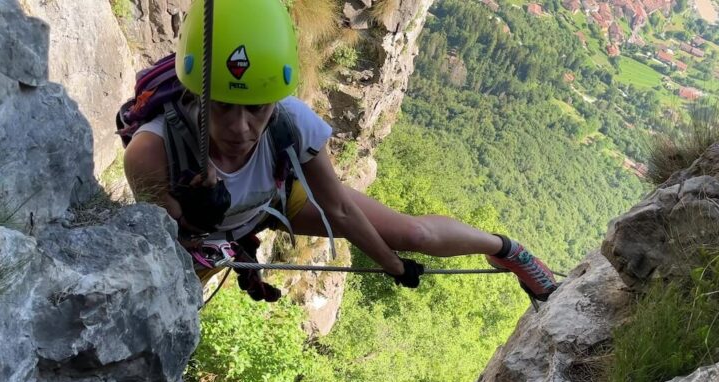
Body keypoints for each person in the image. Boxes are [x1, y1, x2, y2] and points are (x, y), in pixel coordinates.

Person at [123, 0, 557, 301]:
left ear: (276, 98)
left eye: (256, 109)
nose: (240, 129)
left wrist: (394, 265)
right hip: (206, 243)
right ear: (196, 96)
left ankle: (508, 251)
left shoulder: (292, 123)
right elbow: (164, 241)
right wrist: (193, 218)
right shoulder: (152, 152)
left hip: (277, 200)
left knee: (415, 236)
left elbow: (341, 213)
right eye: (221, 108)